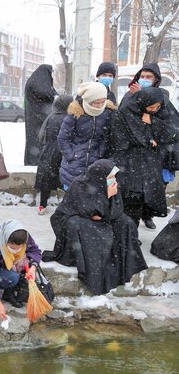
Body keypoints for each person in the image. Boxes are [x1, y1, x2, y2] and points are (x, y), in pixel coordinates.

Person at [43, 159, 148, 295]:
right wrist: (104, 200)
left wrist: (108, 199)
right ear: (100, 176)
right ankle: (88, 265)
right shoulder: (80, 185)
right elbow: (84, 209)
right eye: (110, 177)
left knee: (126, 223)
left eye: (113, 177)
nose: (113, 180)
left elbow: (117, 210)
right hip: (81, 220)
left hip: (103, 219)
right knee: (76, 225)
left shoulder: (112, 185)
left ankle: (122, 262)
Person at [111, 87, 178, 229]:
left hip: (149, 165)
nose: (154, 109)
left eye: (158, 107)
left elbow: (172, 132)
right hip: (127, 164)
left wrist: (153, 121)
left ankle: (132, 233)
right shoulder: (125, 112)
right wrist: (148, 140)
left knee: (142, 200)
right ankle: (124, 233)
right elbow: (120, 140)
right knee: (127, 200)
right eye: (151, 107)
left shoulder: (158, 114)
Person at [58, 82, 115, 189]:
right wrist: (71, 156)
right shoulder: (75, 113)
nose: (99, 105)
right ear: (88, 101)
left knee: (91, 199)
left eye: (102, 102)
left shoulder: (108, 113)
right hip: (73, 165)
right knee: (72, 199)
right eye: (96, 103)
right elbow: (63, 138)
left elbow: (107, 137)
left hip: (96, 163)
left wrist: (100, 153)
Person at [34, 95, 72, 215]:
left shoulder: (51, 116)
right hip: (63, 152)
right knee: (65, 180)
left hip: (48, 152)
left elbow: (42, 137)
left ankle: (42, 205)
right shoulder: (69, 118)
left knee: (46, 179)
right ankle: (67, 206)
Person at [24, 64, 57, 165]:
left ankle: (35, 161)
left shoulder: (35, 80)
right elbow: (46, 94)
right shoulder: (37, 84)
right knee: (37, 141)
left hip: (36, 117)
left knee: (36, 141)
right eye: (50, 73)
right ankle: (35, 161)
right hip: (38, 118)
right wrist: (54, 96)